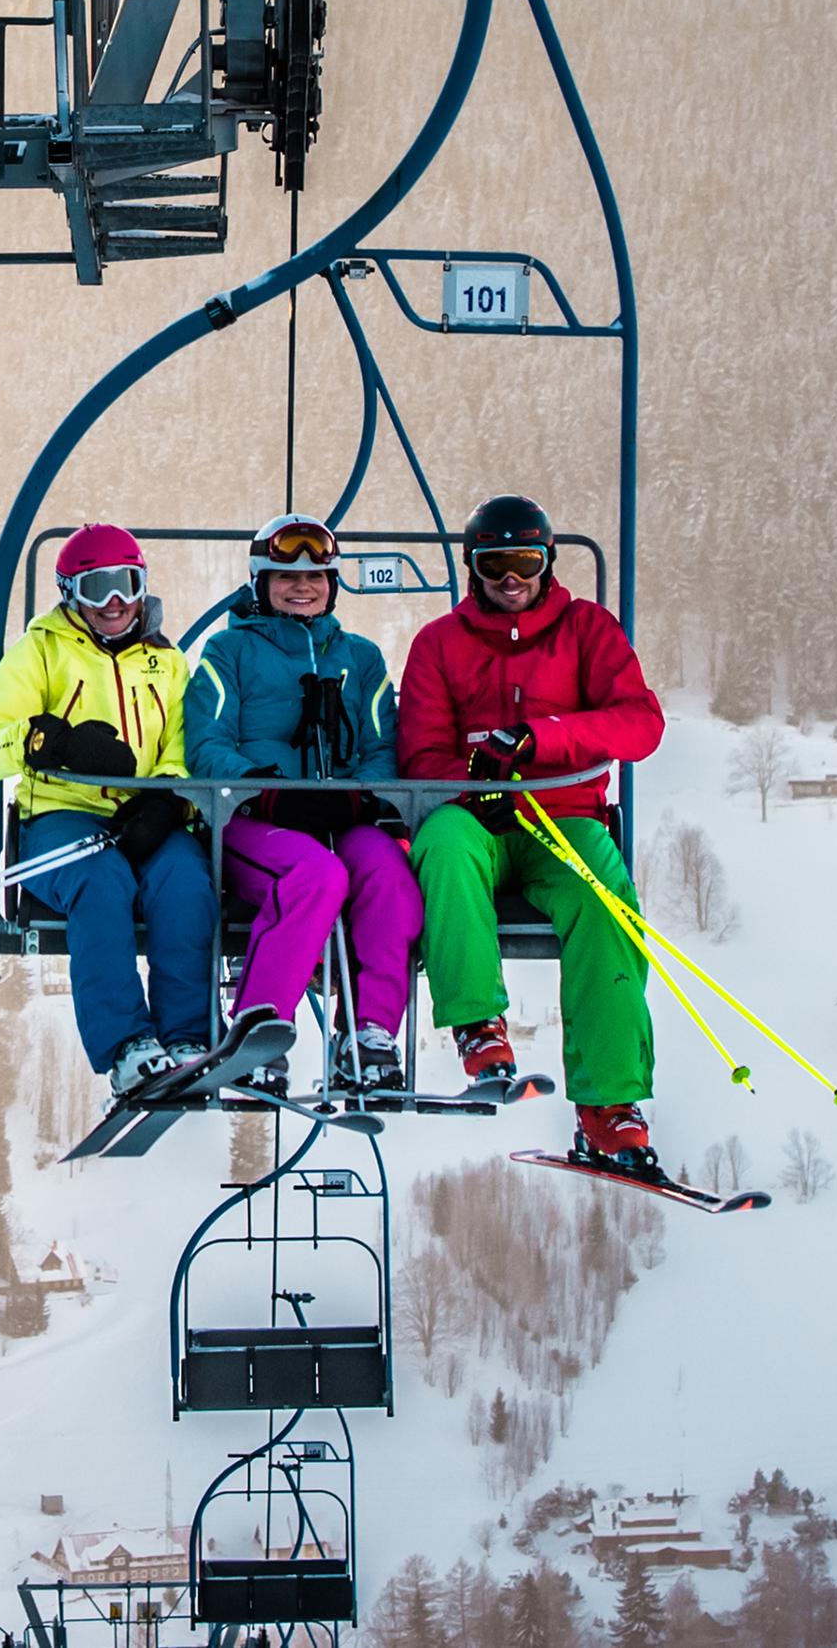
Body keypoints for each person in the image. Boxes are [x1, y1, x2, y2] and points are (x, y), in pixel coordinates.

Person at [397, 494, 669, 1176]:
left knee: (603, 899)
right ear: (473, 568)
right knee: (445, 848)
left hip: (561, 815)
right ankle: (479, 1026)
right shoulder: (440, 644)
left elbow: (639, 723)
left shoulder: (587, 631)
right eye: (495, 563)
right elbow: (421, 754)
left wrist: (543, 740)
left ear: (547, 561)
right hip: (478, 815)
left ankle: (609, 1103)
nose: (511, 577)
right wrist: (470, 784)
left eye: (526, 560)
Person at [0, 523, 221, 1098]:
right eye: (97, 587)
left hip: (148, 816)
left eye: (126, 584)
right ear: (69, 594)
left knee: (185, 879)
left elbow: (185, 745)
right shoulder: (42, 651)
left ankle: (187, 1038)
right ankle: (128, 1045)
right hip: (63, 815)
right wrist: (42, 742)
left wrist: (166, 796)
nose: (114, 603)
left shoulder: (166, 661)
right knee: (99, 880)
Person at [184, 513, 422, 1096]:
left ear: (332, 583)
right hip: (255, 821)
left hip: (340, 816)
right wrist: (264, 789)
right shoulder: (229, 651)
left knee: (391, 878)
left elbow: (381, 745)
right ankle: (260, 1026)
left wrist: (355, 797)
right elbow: (206, 743)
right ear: (261, 584)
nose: (303, 587)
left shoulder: (360, 659)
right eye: (286, 577)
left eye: (316, 576)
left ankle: (368, 1036)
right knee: (314, 876)